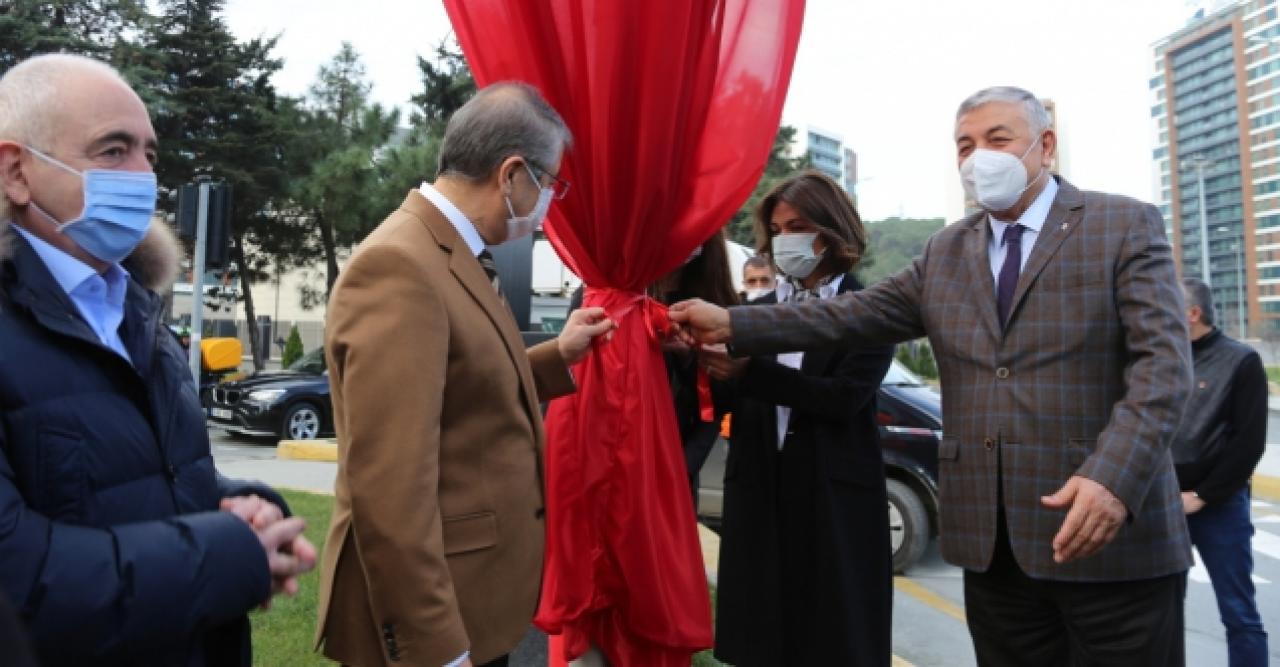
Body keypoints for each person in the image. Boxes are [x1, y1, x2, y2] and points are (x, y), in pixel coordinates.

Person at [673, 86, 1194, 665]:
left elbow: (1164, 367)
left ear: (1045, 145)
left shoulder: (1121, 224)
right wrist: (732, 323)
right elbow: (852, 314)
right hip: (993, 546)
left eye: (998, 139)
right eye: (964, 145)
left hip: (1104, 536)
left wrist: (1114, 477)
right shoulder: (947, 250)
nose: (979, 158)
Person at [0, 54, 315, 666]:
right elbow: (17, 578)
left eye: (150, 154)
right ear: (16, 172)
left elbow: (139, 475)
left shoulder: (133, 306)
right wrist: (229, 553)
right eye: (113, 151)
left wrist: (241, 504)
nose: (144, 176)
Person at [316, 82, 615, 667]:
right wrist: (437, 649)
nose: (551, 197)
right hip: (435, 621)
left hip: (470, 597)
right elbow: (390, 488)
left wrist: (559, 354)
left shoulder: (450, 251)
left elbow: (455, 384)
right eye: (550, 182)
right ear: (510, 175)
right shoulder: (401, 265)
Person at [701, 171, 893, 666]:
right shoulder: (753, 311)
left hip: (833, 493)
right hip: (760, 490)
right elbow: (726, 401)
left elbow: (843, 398)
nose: (787, 239)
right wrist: (706, 366)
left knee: (833, 635)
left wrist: (749, 373)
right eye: (780, 228)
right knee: (761, 635)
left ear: (832, 230)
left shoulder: (870, 310)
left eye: (799, 225)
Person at [1175, 278, 1269, 666]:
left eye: (1168, 307)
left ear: (1193, 314)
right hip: (1163, 507)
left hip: (1219, 508)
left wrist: (1202, 497)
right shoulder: (1160, 359)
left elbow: (1249, 443)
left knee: (1239, 613)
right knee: (1158, 615)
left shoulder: (1241, 361)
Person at [650, 229, 738, 510]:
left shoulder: (716, 305)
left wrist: (684, 467)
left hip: (677, 465)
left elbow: (721, 400)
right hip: (618, 457)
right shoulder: (610, 293)